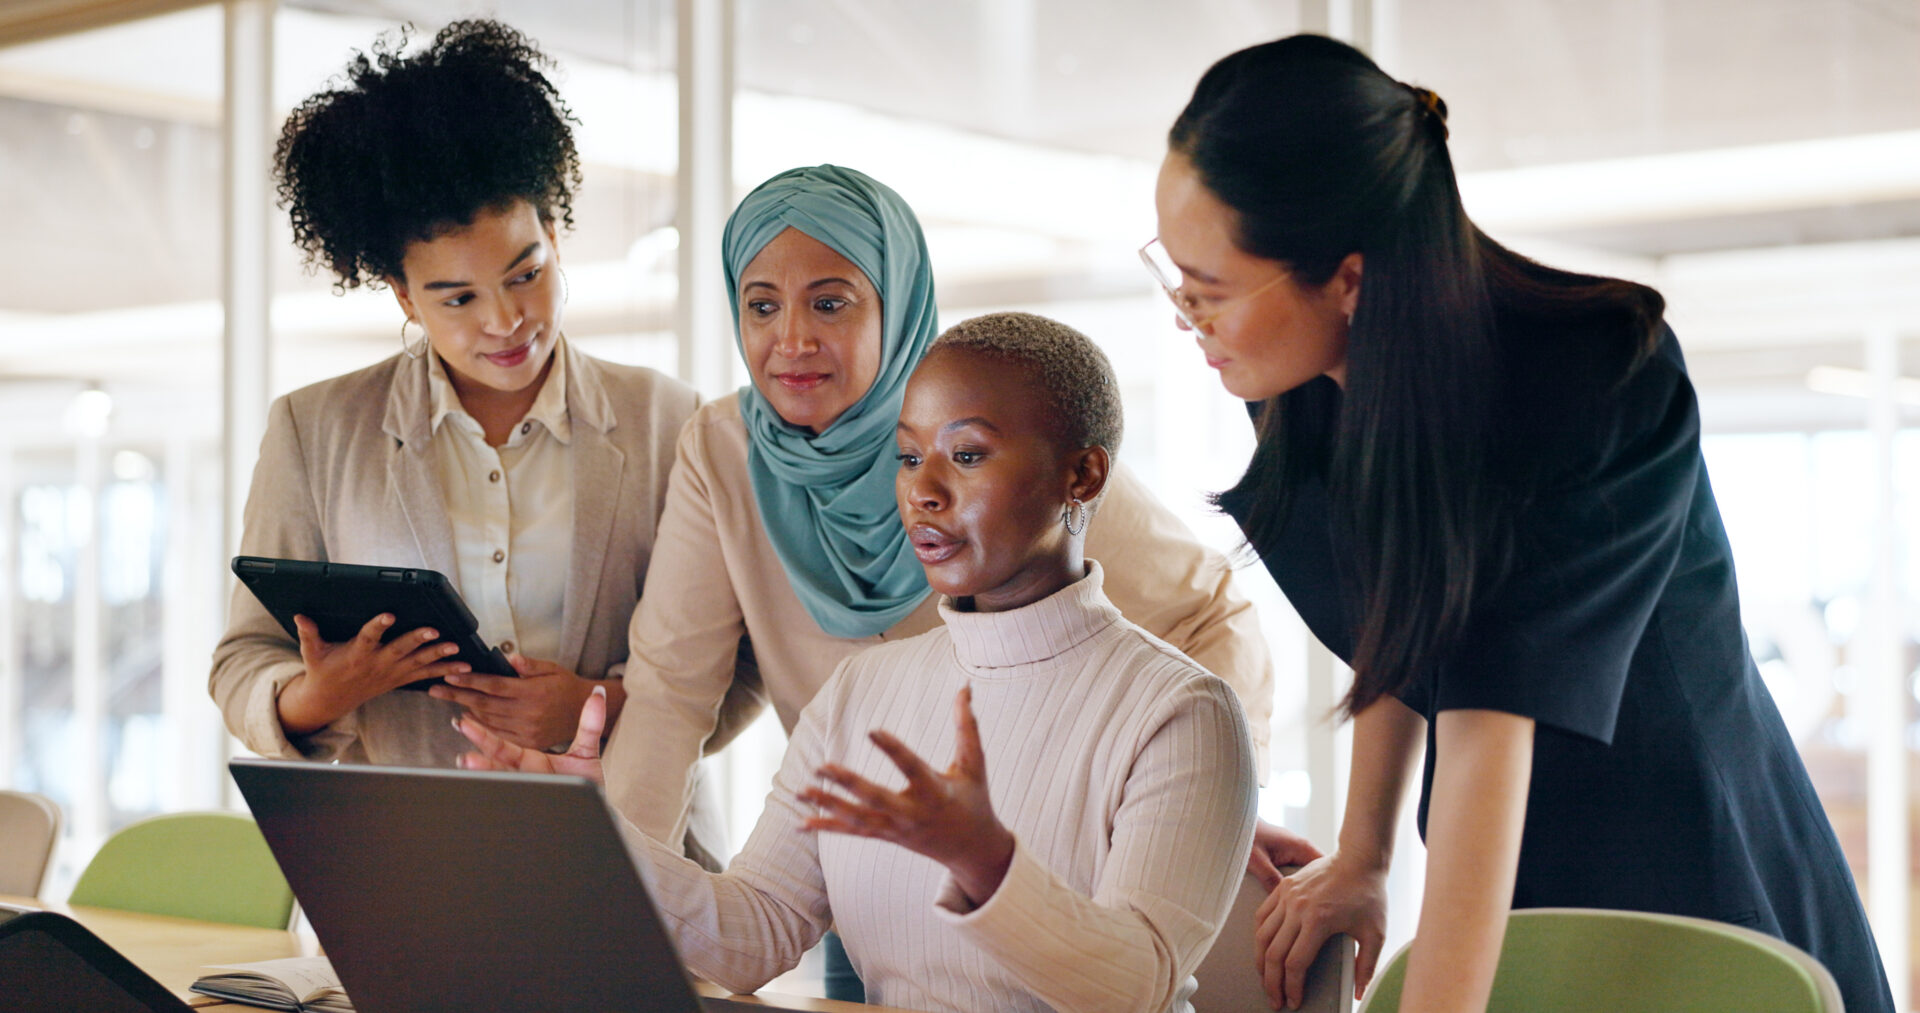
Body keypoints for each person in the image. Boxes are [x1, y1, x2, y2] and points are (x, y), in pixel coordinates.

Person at [1146, 34, 1895, 1013]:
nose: (1182, 317)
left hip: (1690, 870)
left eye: (1208, 292)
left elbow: (1490, 724)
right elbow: (1406, 621)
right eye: (1173, 276)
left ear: (1351, 279)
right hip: (1503, 854)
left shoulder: (1597, 381)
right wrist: (1363, 854)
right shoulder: (1316, 376)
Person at [461, 312, 1259, 1013]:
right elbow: (757, 934)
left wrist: (986, 859)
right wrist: (598, 837)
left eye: (969, 455)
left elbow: (1135, 987)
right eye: (910, 458)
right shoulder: (863, 690)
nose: (924, 492)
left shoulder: (1183, 710)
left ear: (1082, 475)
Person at [601, 164, 1276, 875]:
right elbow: (669, 693)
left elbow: (1210, 614)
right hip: (858, 866)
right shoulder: (723, 451)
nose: (791, 339)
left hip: (1040, 864)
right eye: (762, 306)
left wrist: (1220, 809)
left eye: (830, 304)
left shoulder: (987, 422)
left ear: (897, 304)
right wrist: (613, 889)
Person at [208, 20, 714, 851]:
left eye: (527, 274)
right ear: (402, 297)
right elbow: (241, 664)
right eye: (457, 298)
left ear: (556, 234)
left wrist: (596, 703)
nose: (508, 320)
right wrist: (323, 692)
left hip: (634, 855)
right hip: (408, 863)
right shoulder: (315, 429)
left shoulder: (672, 420)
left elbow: (730, 666)